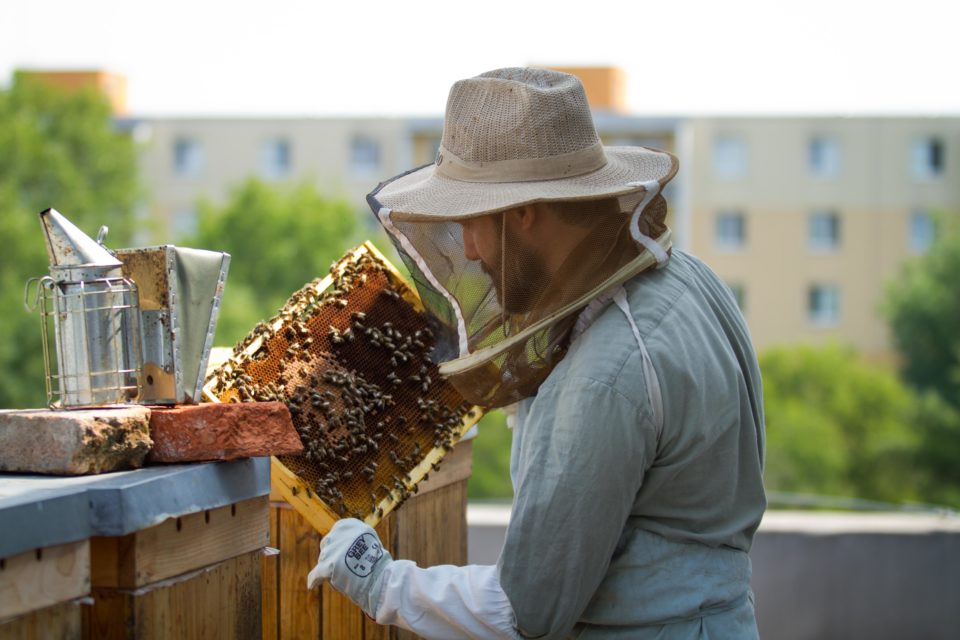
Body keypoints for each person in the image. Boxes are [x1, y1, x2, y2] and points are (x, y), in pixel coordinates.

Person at [307, 67, 766, 639]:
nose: (468, 250)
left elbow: (524, 610)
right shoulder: (691, 280)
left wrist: (380, 581)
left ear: (523, 212)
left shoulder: (606, 374)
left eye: (471, 221)